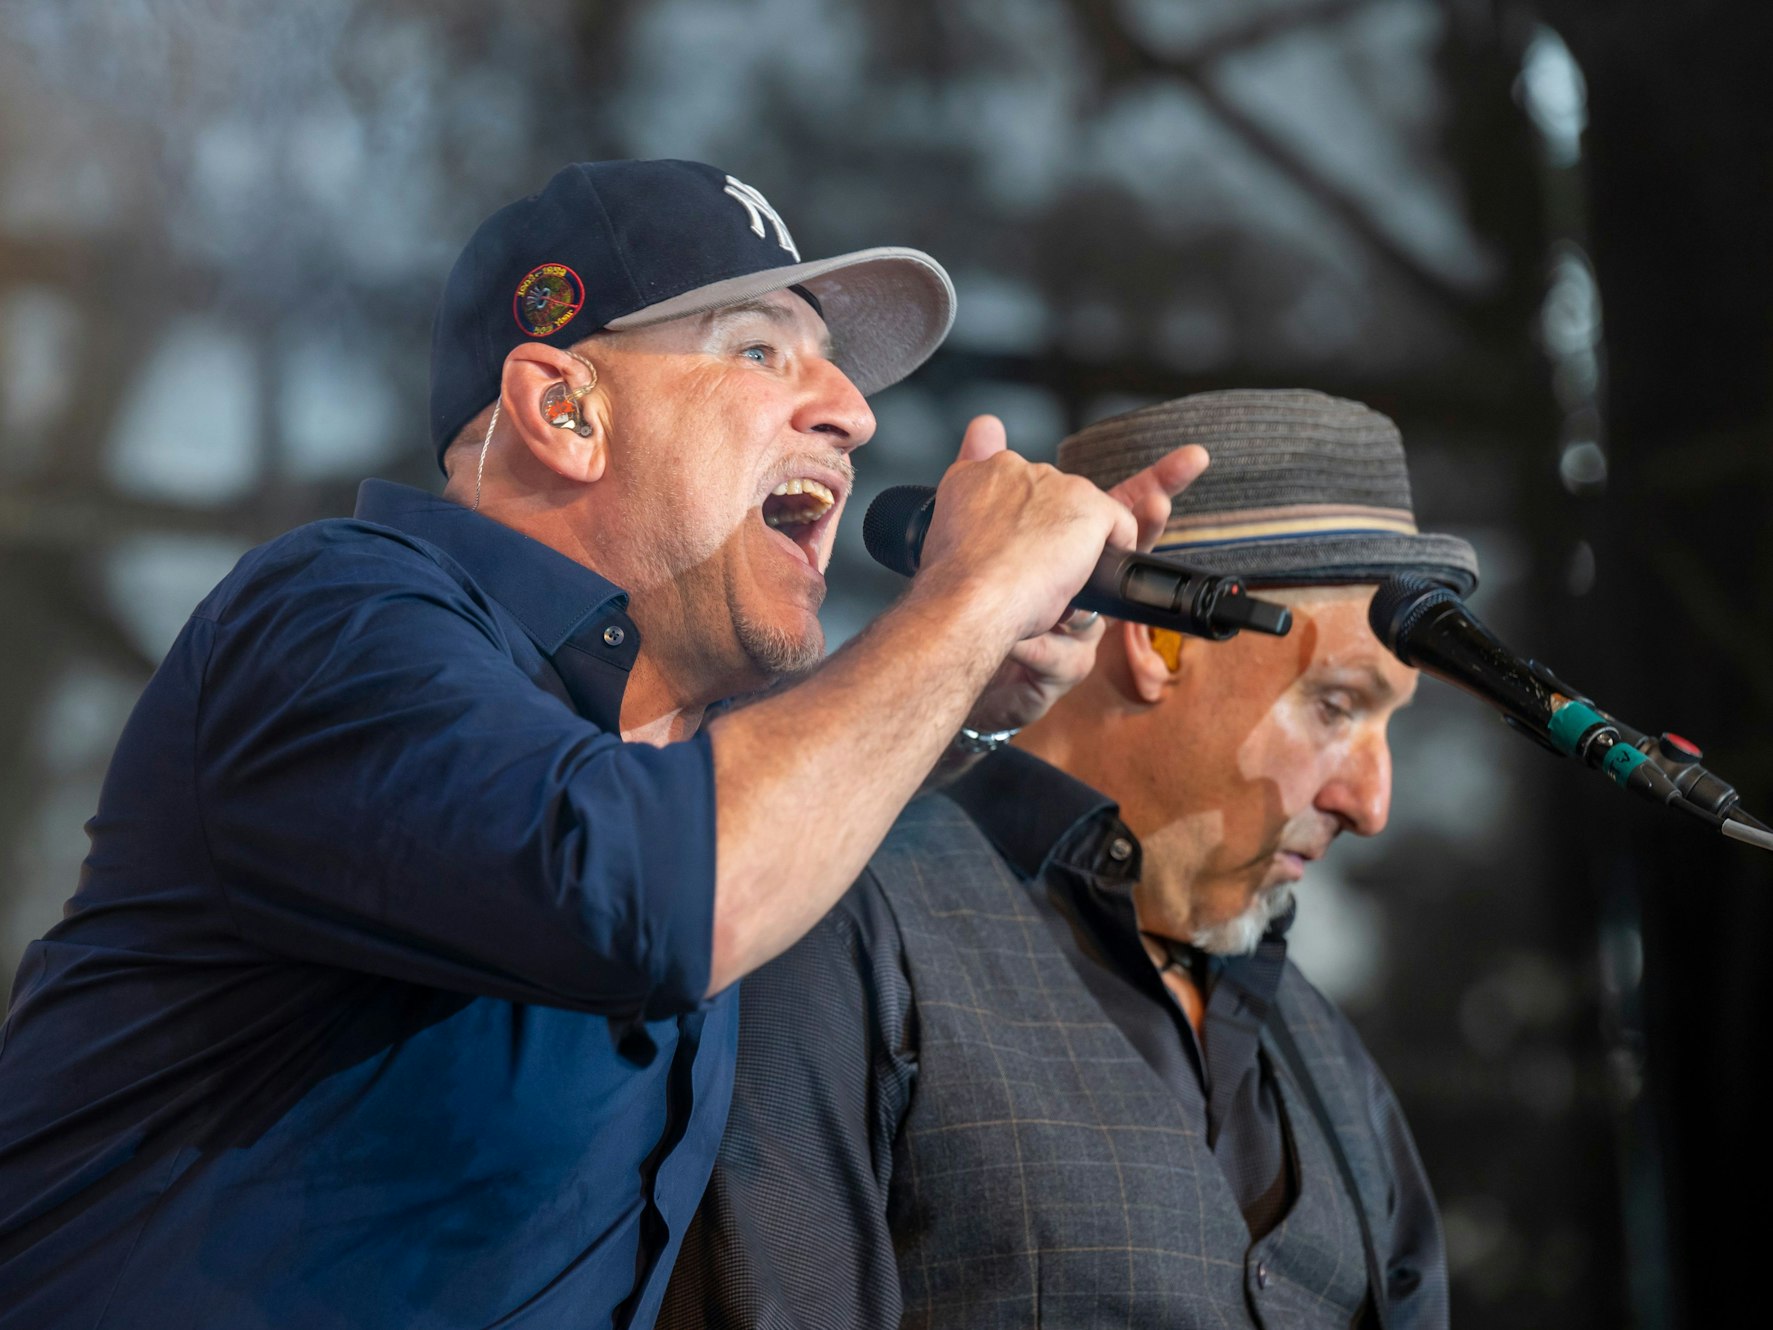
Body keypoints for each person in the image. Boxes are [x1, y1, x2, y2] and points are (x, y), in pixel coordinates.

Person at [0, 160, 1204, 1330]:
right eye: (758, 351)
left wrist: (970, 685)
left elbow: (728, 816)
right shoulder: (331, 619)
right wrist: (968, 602)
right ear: (564, 410)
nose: (853, 412)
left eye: (833, 367)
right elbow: (657, 879)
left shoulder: (672, 748)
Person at [661, 388, 1481, 1330]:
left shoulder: (1330, 1060)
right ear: (1158, 640)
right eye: (1335, 705)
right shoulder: (844, 918)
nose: (1369, 804)